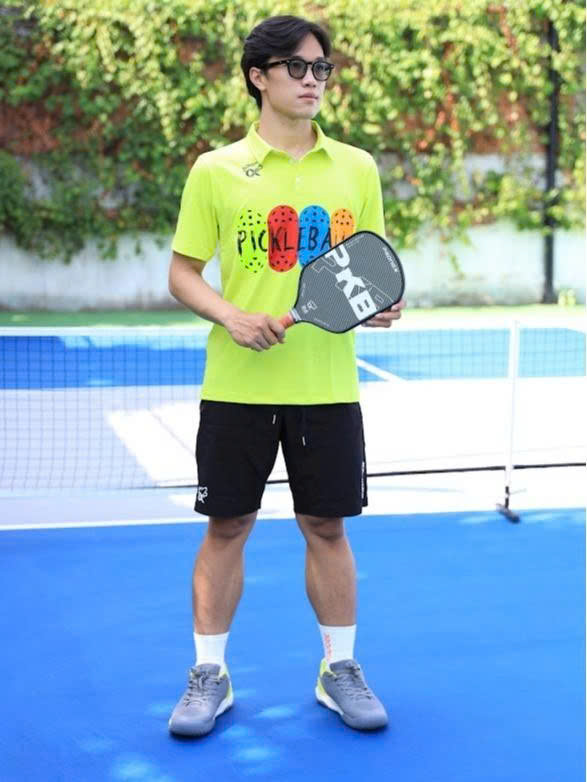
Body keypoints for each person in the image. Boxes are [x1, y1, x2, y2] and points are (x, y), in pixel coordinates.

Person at [167, 14, 405, 737]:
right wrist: (232, 316)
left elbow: (366, 269)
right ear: (258, 76)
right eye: (296, 67)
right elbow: (182, 273)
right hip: (236, 387)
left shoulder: (356, 168)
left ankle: (340, 669)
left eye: (320, 68)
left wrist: (376, 307)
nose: (311, 80)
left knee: (326, 527)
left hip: (326, 389)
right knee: (227, 526)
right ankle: (208, 674)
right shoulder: (215, 170)